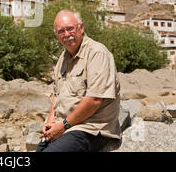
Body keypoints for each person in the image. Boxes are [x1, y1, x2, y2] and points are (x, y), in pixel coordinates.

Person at [37, 10, 121, 152]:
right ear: (57, 36)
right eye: (61, 31)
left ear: (81, 28)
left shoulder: (97, 53)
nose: (66, 34)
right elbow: (57, 94)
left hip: (92, 128)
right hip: (68, 126)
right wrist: (51, 121)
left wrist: (63, 125)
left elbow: (94, 100)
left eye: (70, 29)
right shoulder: (62, 59)